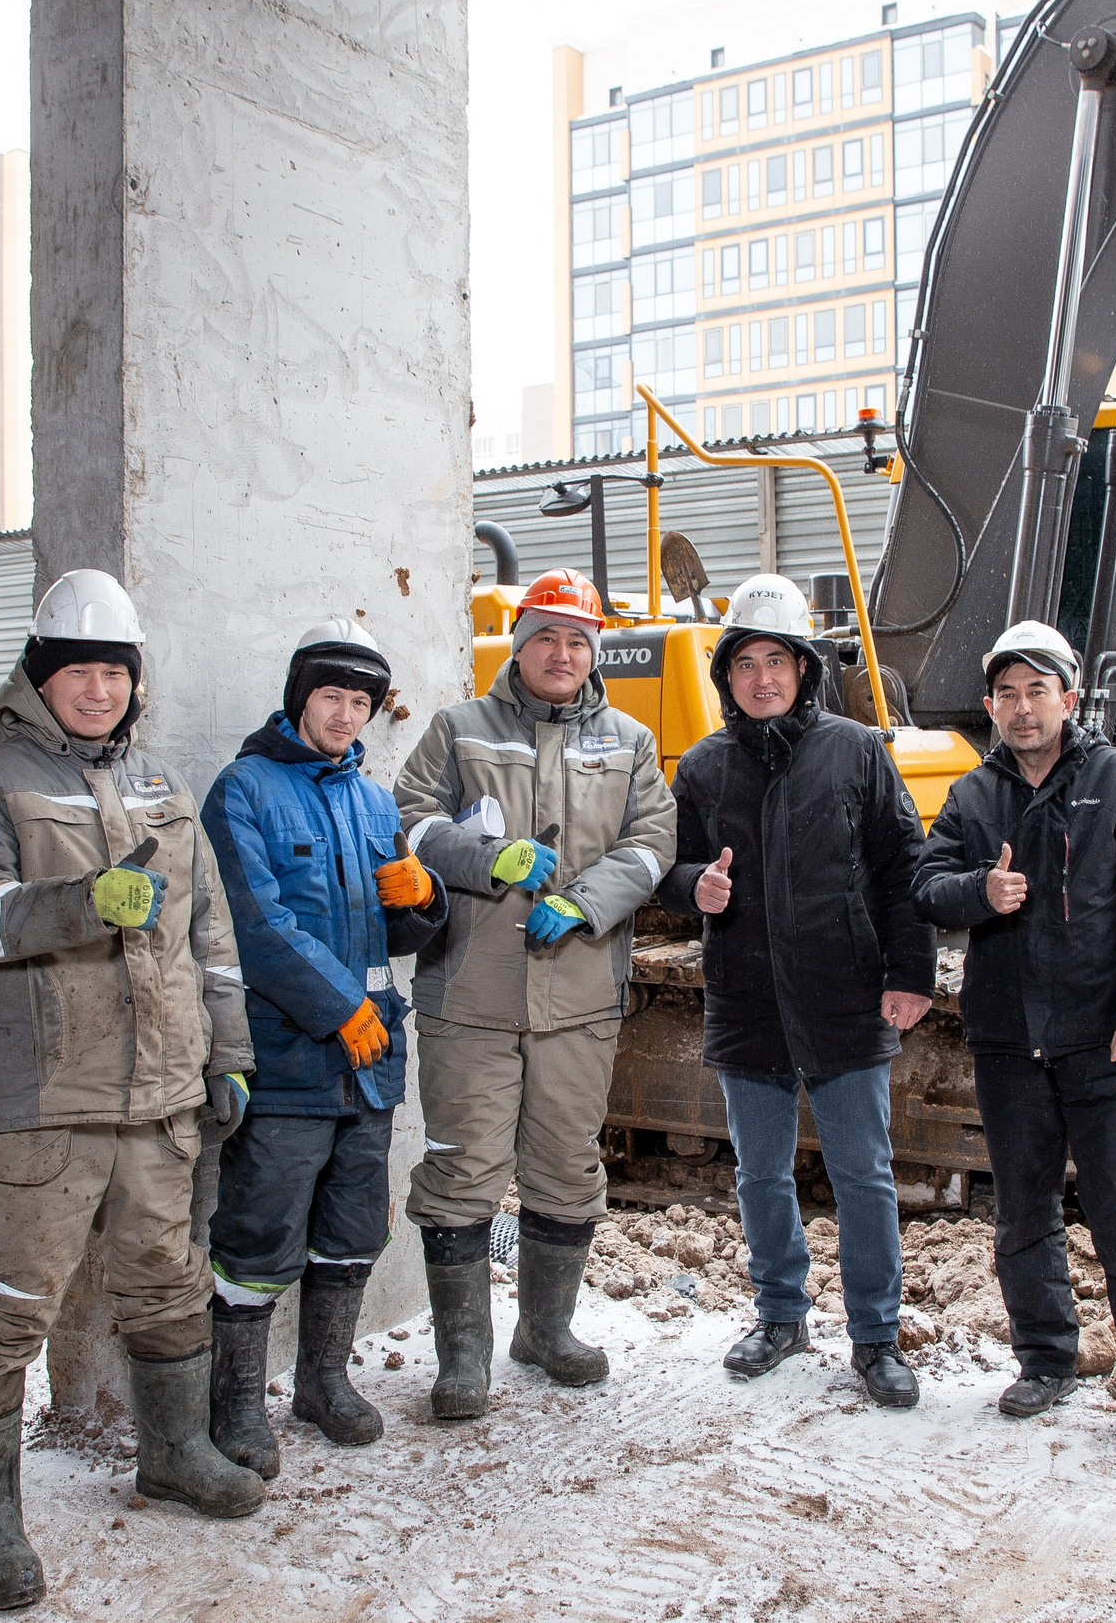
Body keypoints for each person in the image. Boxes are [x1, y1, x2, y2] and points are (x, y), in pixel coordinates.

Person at [0, 570, 263, 1611]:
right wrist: (79, 903)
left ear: (133, 682)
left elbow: (209, 934)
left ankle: (173, 1454)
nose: (97, 690)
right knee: (7, 1307)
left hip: (160, 1096)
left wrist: (228, 1052)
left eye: (114, 673)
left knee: (168, 1282)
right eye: (77, 672)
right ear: (39, 678)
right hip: (46, 1099)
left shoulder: (162, 784)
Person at [392, 567, 676, 1418]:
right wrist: (486, 859)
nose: (561, 653)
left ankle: (545, 1331)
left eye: (577, 640)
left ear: (595, 652)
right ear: (518, 645)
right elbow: (408, 820)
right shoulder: (459, 729)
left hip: (578, 995)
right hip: (469, 995)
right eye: (545, 636)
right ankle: (463, 1358)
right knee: (461, 1170)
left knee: (565, 1166)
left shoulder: (629, 739)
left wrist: (585, 901)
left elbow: (653, 840)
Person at [911, 621, 1116, 1459]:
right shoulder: (974, 795)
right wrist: (981, 890)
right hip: (1010, 1045)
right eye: (1006, 693)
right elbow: (926, 886)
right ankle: (1045, 1360)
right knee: (1023, 1219)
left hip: (1104, 1045)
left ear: (1069, 699)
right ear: (990, 705)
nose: (1022, 708)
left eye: (1037, 691)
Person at [655, 575, 936, 1407]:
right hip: (747, 997)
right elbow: (667, 867)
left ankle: (876, 1334)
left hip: (843, 992)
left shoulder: (856, 750)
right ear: (727, 677)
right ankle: (780, 1314)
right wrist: (693, 886)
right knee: (760, 1174)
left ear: (804, 668)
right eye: (746, 663)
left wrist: (910, 973)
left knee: (864, 1174)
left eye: (777, 660)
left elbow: (903, 866)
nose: (763, 677)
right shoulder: (704, 766)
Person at [199, 620, 446, 1477]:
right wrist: (338, 1006)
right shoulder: (244, 790)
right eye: (331, 696)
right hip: (291, 1058)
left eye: (360, 702)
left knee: (351, 1229)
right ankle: (235, 1403)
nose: (345, 714)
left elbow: (395, 931)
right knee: (259, 1232)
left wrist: (425, 898)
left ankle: (323, 1382)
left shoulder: (374, 802)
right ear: (299, 696)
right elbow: (253, 923)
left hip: (369, 1063)